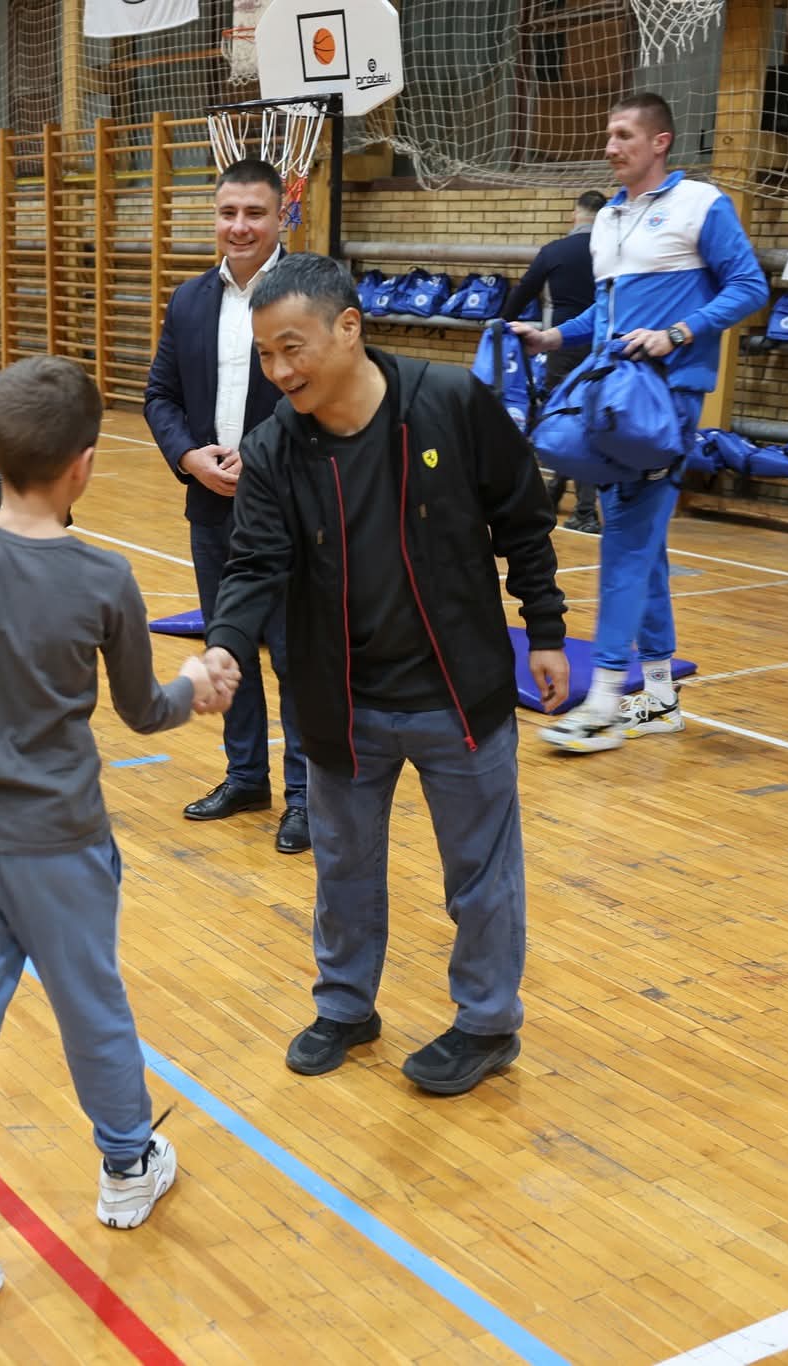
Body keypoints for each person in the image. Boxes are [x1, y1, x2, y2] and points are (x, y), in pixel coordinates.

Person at [0, 355, 228, 1307]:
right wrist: (196, 687)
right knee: (92, 1009)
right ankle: (127, 1167)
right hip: (62, 845)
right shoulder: (105, 577)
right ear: (85, 465)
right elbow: (144, 711)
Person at [200, 254, 569, 1096]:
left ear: (348, 327)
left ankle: (487, 1025)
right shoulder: (274, 448)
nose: (279, 371)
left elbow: (523, 518)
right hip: (341, 705)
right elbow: (254, 564)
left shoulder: (450, 403)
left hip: (458, 696)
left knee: (481, 877)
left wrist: (544, 630)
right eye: (265, 355)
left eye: (292, 348)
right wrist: (225, 644)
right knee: (343, 869)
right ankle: (345, 1007)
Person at [514, 92, 767, 754]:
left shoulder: (701, 204)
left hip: (664, 403)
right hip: (610, 398)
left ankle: (602, 703)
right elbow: (602, 319)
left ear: (660, 142)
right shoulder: (608, 220)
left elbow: (749, 287)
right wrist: (550, 337)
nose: (611, 146)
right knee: (642, 545)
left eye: (624, 134)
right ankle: (657, 697)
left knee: (624, 541)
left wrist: (678, 332)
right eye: (609, 135)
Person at [142, 157, 310, 854]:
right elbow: (160, 395)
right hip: (212, 508)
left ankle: (306, 795)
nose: (239, 227)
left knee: (295, 656)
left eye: (254, 213)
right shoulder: (188, 301)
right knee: (227, 647)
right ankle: (246, 776)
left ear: (280, 217)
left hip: (293, 512)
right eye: (228, 213)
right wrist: (189, 456)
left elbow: (329, 392)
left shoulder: (311, 292)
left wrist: (262, 456)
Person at [505, 189, 609, 534]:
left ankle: (582, 508)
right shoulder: (613, 252)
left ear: (573, 216)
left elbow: (522, 293)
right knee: (589, 420)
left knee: (564, 416)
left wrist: (500, 326)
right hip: (602, 346)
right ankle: (561, 495)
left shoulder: (555, 251)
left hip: (562, 344)